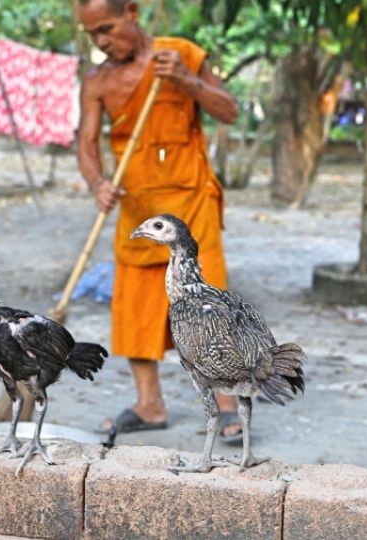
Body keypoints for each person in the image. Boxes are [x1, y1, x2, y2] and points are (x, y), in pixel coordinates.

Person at [75, 0, 242, 442]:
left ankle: (227, 402)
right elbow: (87, 145)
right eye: (93, 34)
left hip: (191, 205)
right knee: (134, 311)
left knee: (208, 306)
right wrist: (97, 183)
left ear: (132, 11)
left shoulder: (181, 54)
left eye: (107, 29)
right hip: (138, 209)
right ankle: (150, 405)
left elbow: (229, 111)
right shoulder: (97, 81)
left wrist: (185, 80)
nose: (102, 41)